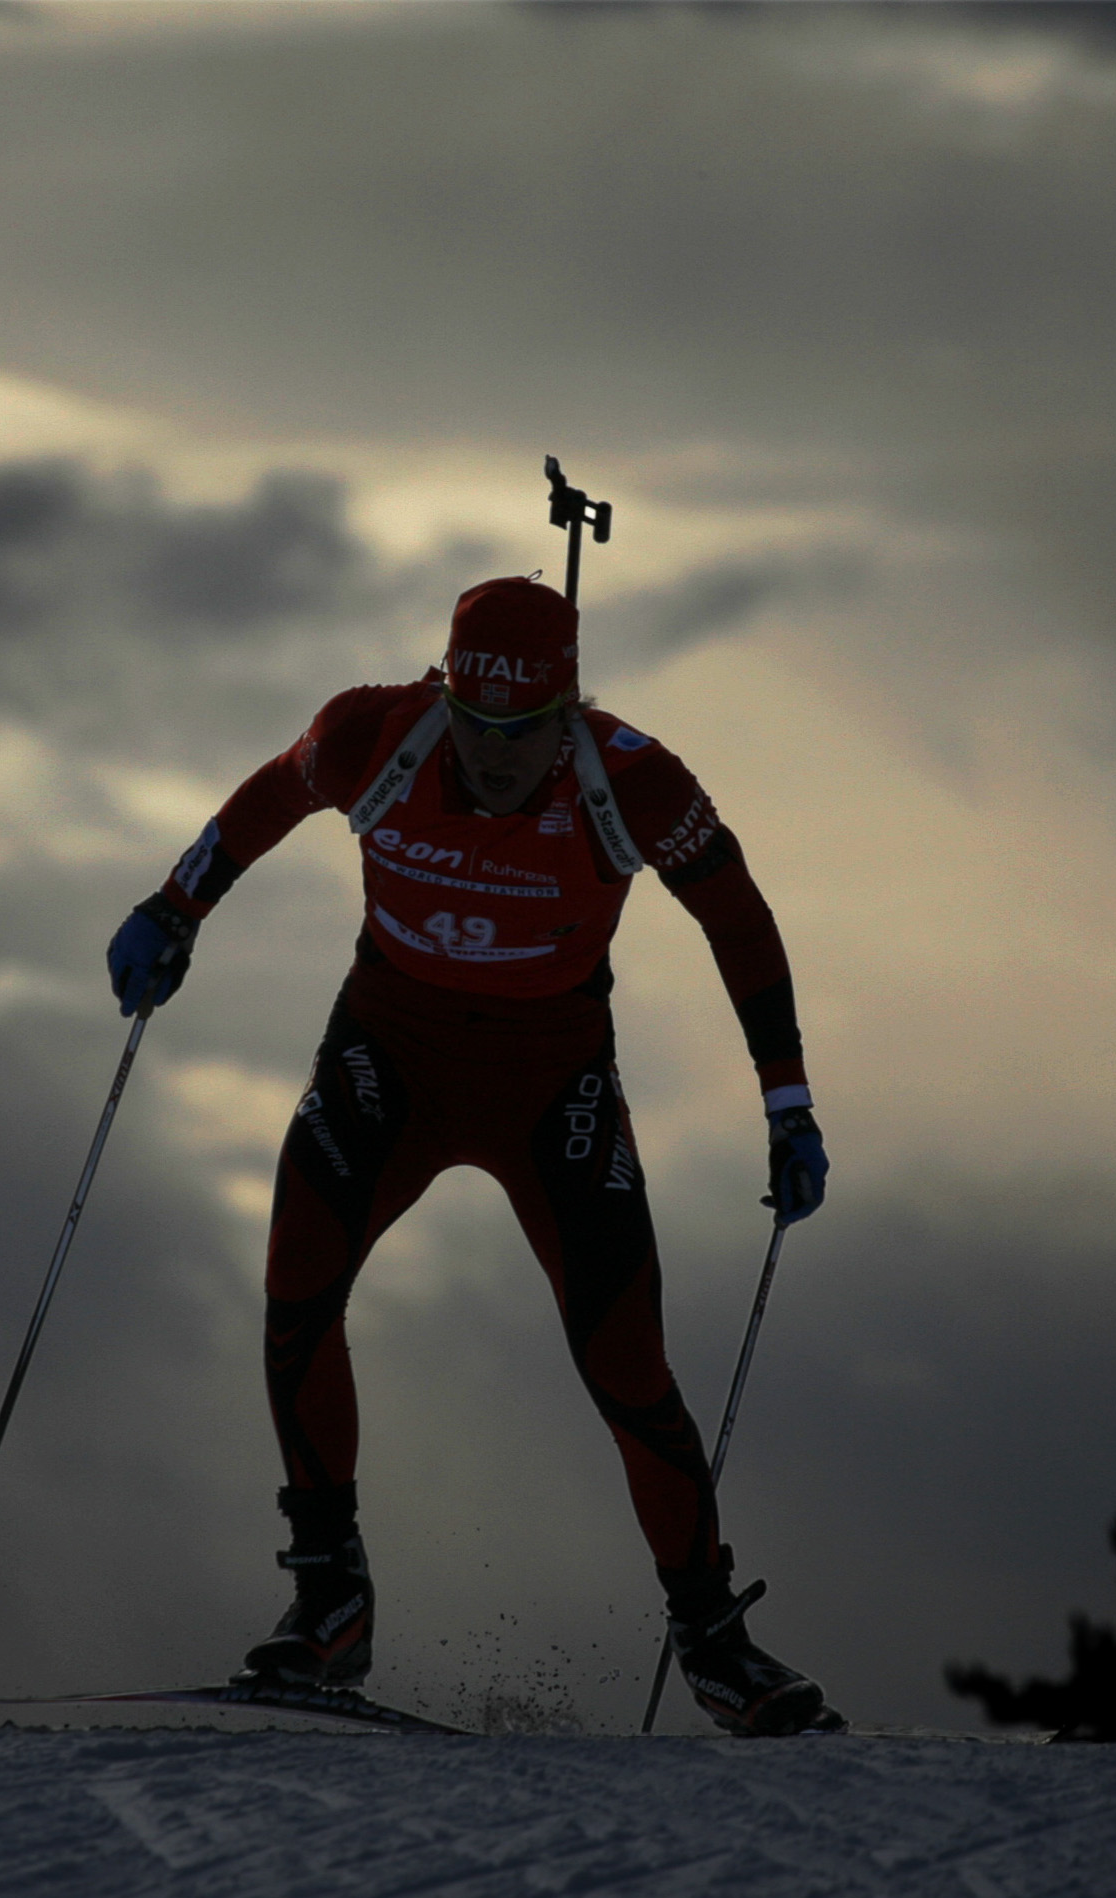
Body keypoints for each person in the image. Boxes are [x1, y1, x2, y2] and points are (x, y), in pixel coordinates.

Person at [104, 576, 838, 1735]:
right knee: (296, 1288)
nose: (495, 758)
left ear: (570, 707)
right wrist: (173, 905)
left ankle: (712, 1641)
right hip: (387, 1052)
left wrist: (786, 1104)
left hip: (550, 1080)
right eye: (474, 726)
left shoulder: (632, 778)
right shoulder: (373, 735)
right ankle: (328, 1600)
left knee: (626, 1364)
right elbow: (271, 792)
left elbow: (735, 915)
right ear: (443, 692)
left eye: (524, 731)